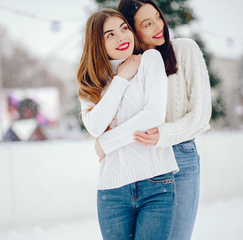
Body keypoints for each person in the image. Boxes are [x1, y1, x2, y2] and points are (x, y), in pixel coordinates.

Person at [96, 1, 212, 240]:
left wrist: (164, 134)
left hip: (180, 153)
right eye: (147, 23)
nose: (158, 26)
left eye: (158, 17)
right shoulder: (128, 64)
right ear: (132, 28)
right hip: (143, 158)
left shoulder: (185, 50)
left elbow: (201, 115)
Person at [77, 8, 179, 240]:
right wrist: (121, 78)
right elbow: (94, 126)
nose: (122, 37)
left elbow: (153, 115)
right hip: (112, 191)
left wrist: (106, 142)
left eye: (124, 28)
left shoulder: (150, 60)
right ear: (97, 43)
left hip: (156, 184)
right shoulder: (91, 80)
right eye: (110, 34)